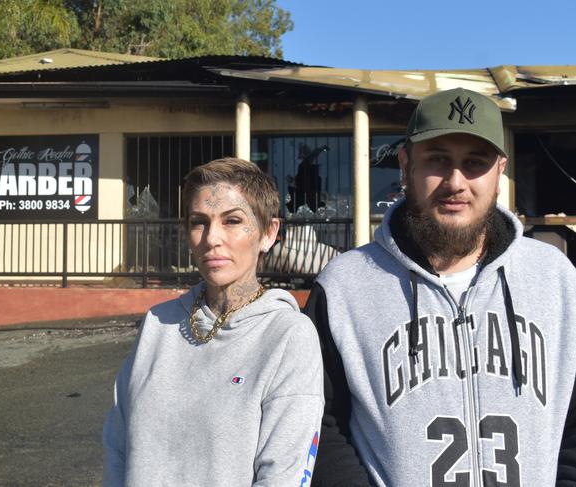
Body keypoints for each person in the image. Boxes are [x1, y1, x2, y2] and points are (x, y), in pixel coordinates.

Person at [306, 88, 576, 486]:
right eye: (438, 160)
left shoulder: (556, 279)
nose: (456, 182)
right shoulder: (346, 286)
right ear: (405, 165)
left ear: (500, 171)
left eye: (474, 163)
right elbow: (318, 425)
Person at [103, 157, 324, 486]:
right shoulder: (156, 325)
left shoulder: (288, 336)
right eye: (199, 222)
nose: (211, 238)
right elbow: (117, 447)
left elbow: (284, 474)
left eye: (232, 221)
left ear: (268, 232)